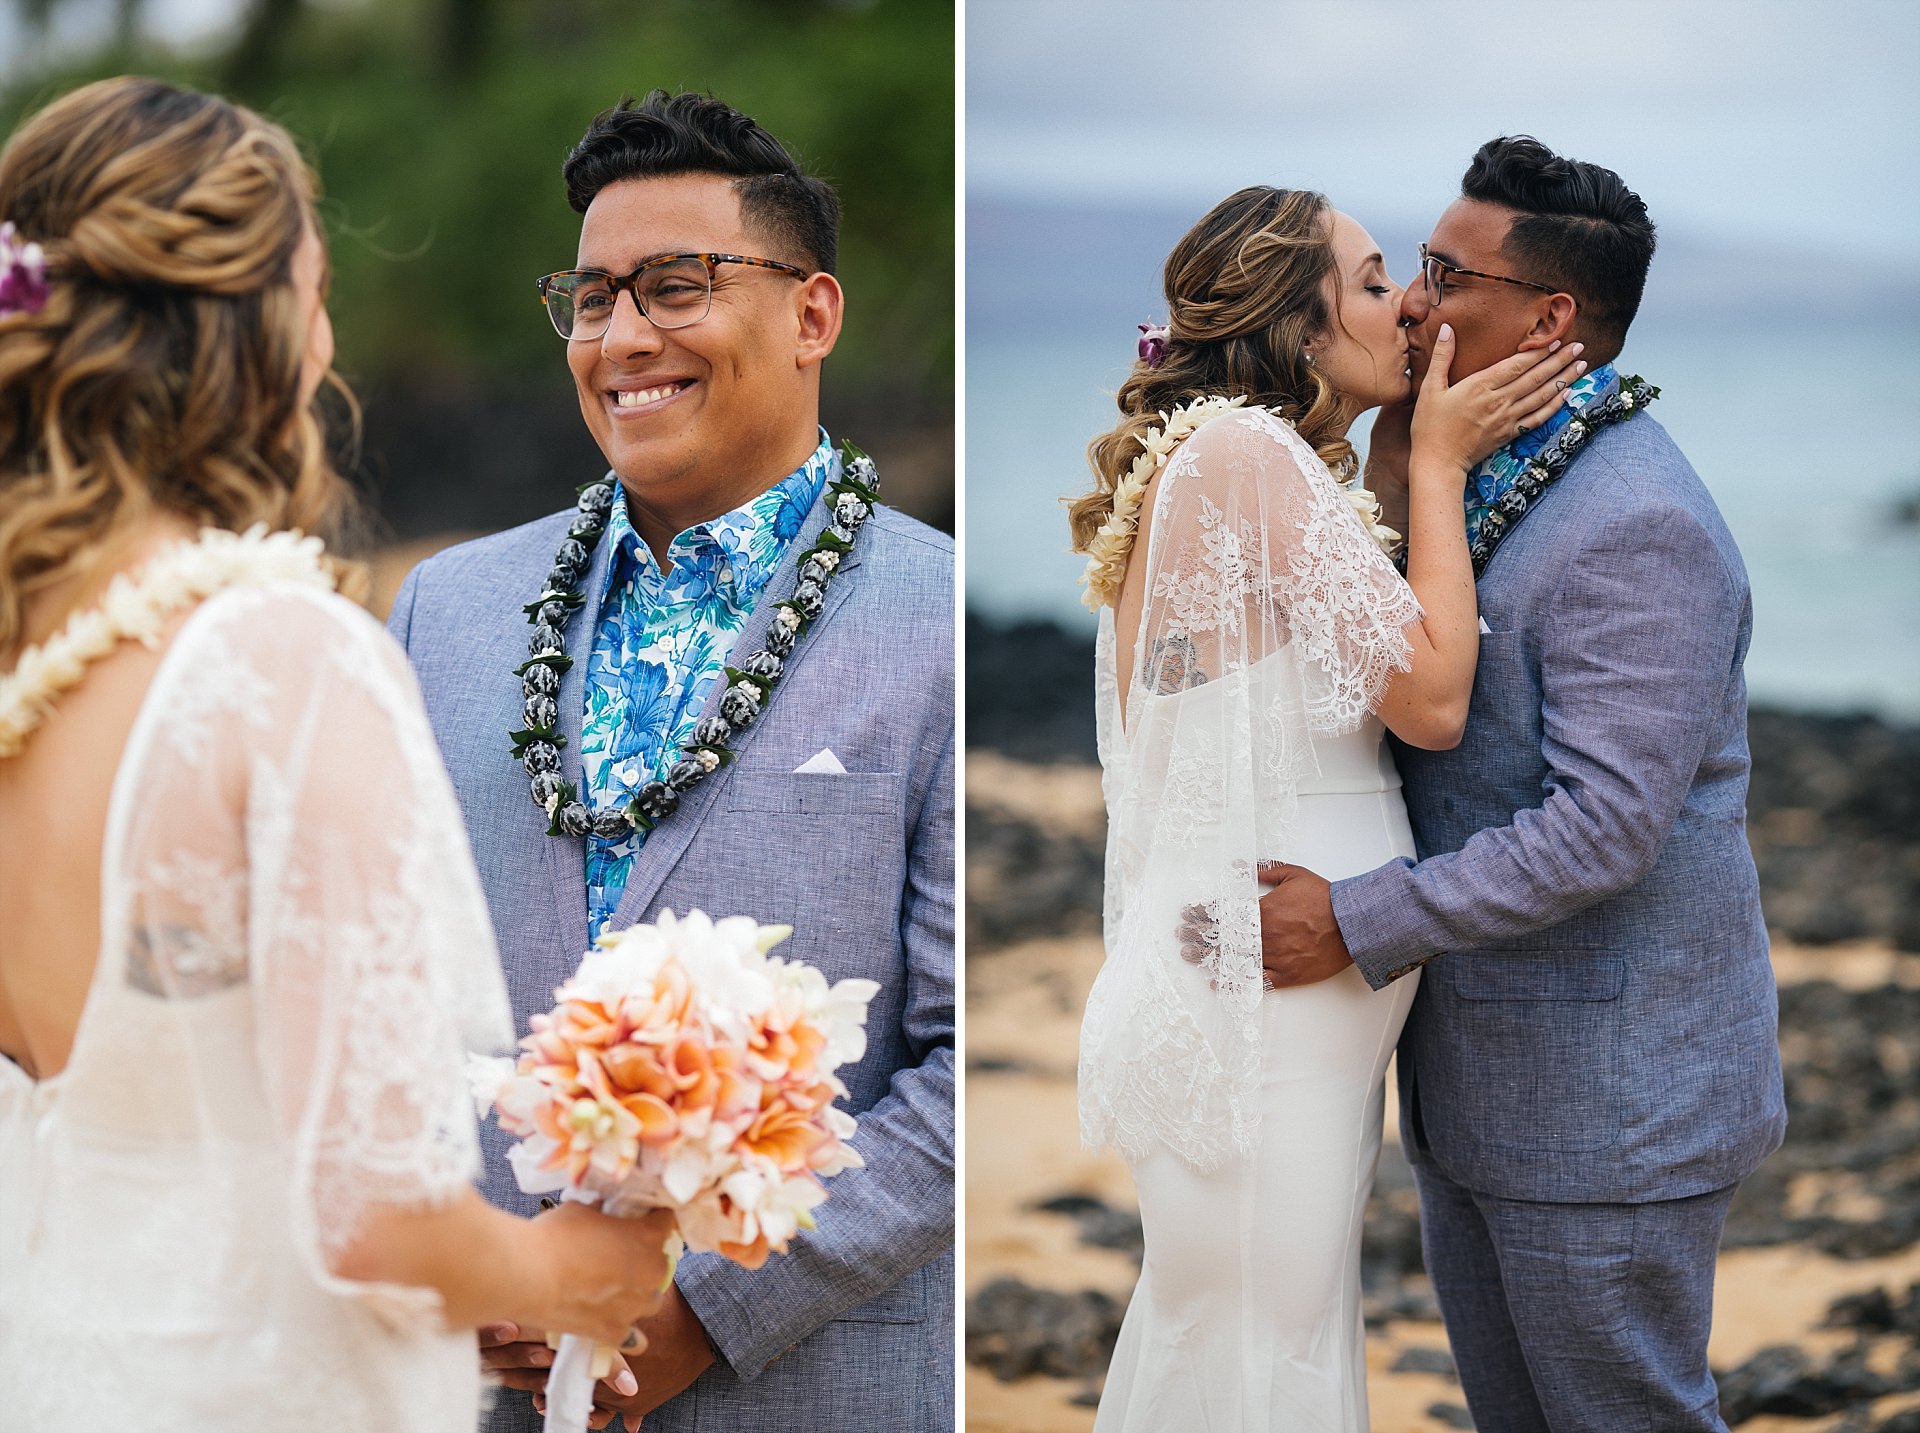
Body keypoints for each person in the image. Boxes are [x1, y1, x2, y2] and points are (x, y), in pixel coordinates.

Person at [0, 76, 674, 1430]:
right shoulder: (278, 660)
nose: (329, 331)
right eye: (313, 287)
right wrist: (571, 1273)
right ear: (248, 329)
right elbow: (374, 1214)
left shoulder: (27, 670)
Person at [387, 91, 954, 1433]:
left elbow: (957, 1061)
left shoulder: (935, 627)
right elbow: (384, 997)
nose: (622, 337)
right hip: (483, 1380)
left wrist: (708, 1312)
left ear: (813, 315)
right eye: (590, 298)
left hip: (809, 1376)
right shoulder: (444, 611)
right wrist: (477, 1269)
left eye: (677, 286)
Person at [1256, 138, 1787, 1432]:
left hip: (1613, 1106)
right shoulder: (1476, 467)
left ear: (1553, 316)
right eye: (1417, 268)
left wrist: (1356, 918)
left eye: (1449, 274)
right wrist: (1400, 456)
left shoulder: (1637, 524)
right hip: (1482, 1090)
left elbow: (1605, 828)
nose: (1419, 299)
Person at [1069, 184, 1582, 1431]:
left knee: (1258, 1329)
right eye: (1367, 282)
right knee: (1252, 1347)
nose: (1406, 304)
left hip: (1280, 986)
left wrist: (1402, 462)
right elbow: (1434, 699)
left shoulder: (1238, 464)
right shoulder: (1245, 455)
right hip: (1267, 993)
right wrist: (1445, 467)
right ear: (1299, 331)